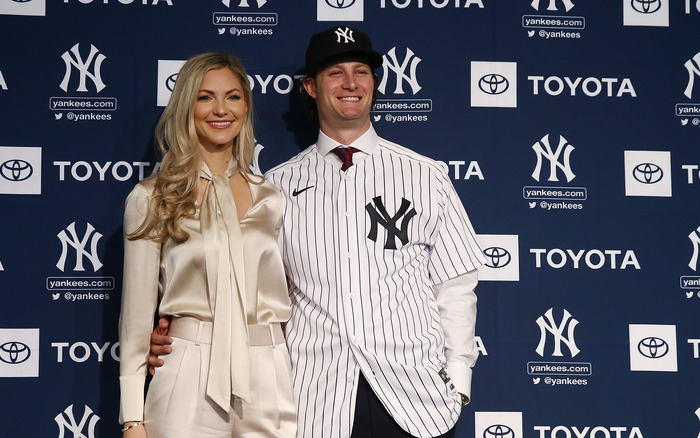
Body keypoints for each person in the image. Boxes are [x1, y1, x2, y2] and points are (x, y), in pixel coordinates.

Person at [150, 27, 485, 438]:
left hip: (416, 397)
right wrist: (180, 332)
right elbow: (244, 287)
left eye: (361, 71)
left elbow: (456, 286)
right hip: (317, 399)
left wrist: (458, 380)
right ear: (310, 86)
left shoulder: (425, 175)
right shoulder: (275, 187)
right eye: (335, 73)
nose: (350, 84)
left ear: (374, 83)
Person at [118, 52, 297, 438]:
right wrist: (132, 416)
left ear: (246, 106)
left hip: (268, 373)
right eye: (205, 97)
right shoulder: (152, 197)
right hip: (186, 370)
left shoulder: (273, 198)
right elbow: (135, 319)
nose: (220, 109)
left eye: (232, 96)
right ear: (186, 105)